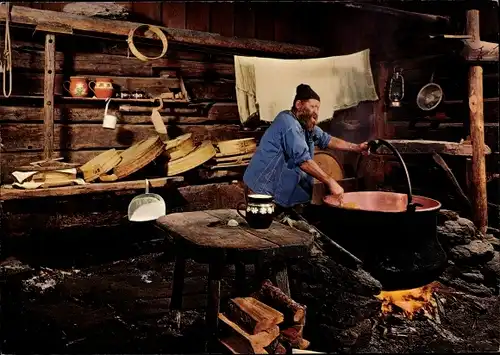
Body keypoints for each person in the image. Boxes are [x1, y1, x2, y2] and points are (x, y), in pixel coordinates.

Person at [243, 83, 369, 210]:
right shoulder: (288, 123)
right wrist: (330, 182)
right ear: (298, 105)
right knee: (264, 227)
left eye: (318, 108)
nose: (316, 112)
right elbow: (303, 161)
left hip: (278, 189)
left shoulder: (305, 124)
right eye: (312, 106)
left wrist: (356, 147)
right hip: (261, 188)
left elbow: (327, 139)